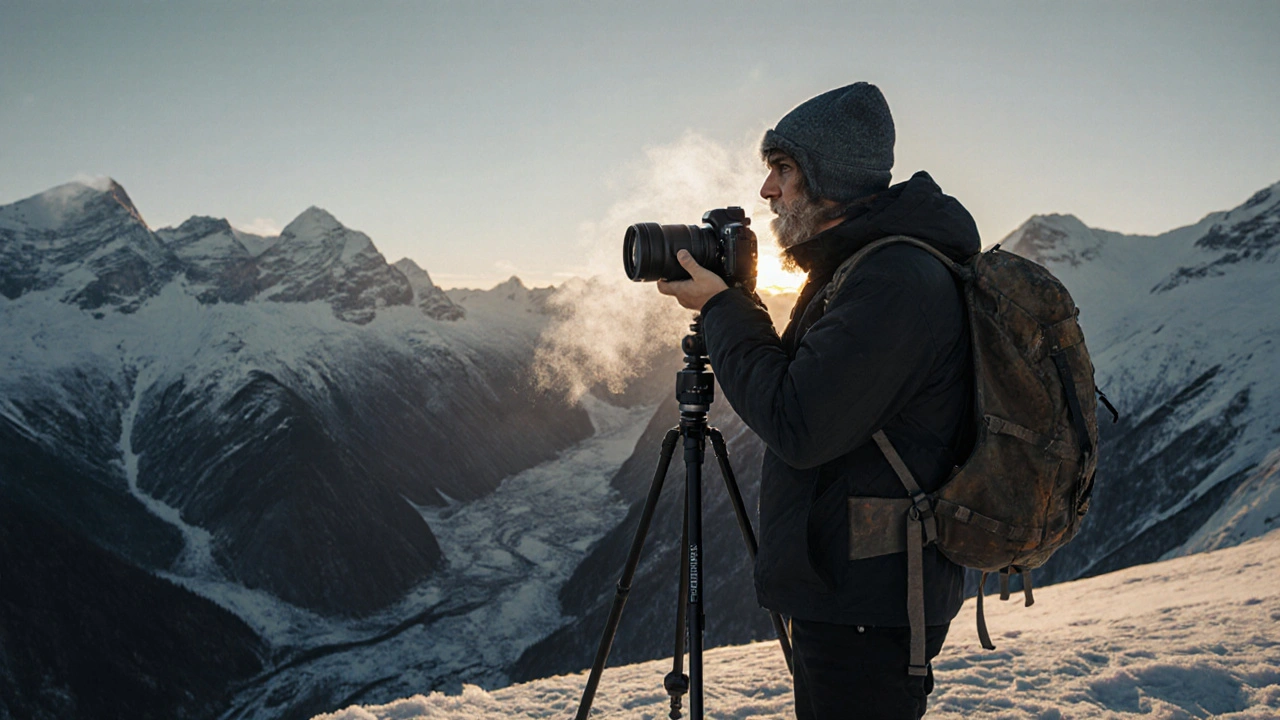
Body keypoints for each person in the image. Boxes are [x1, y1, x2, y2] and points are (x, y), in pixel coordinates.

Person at [656, 82, 981, 719]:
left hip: (869, 602)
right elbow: (812, 393)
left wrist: (724, 310)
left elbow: (798, 421)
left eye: (782, 169)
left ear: (831, 176)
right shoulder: (861, 268)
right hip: (852, 589)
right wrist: (737, 305)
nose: (766, 191)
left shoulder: (892, 282)